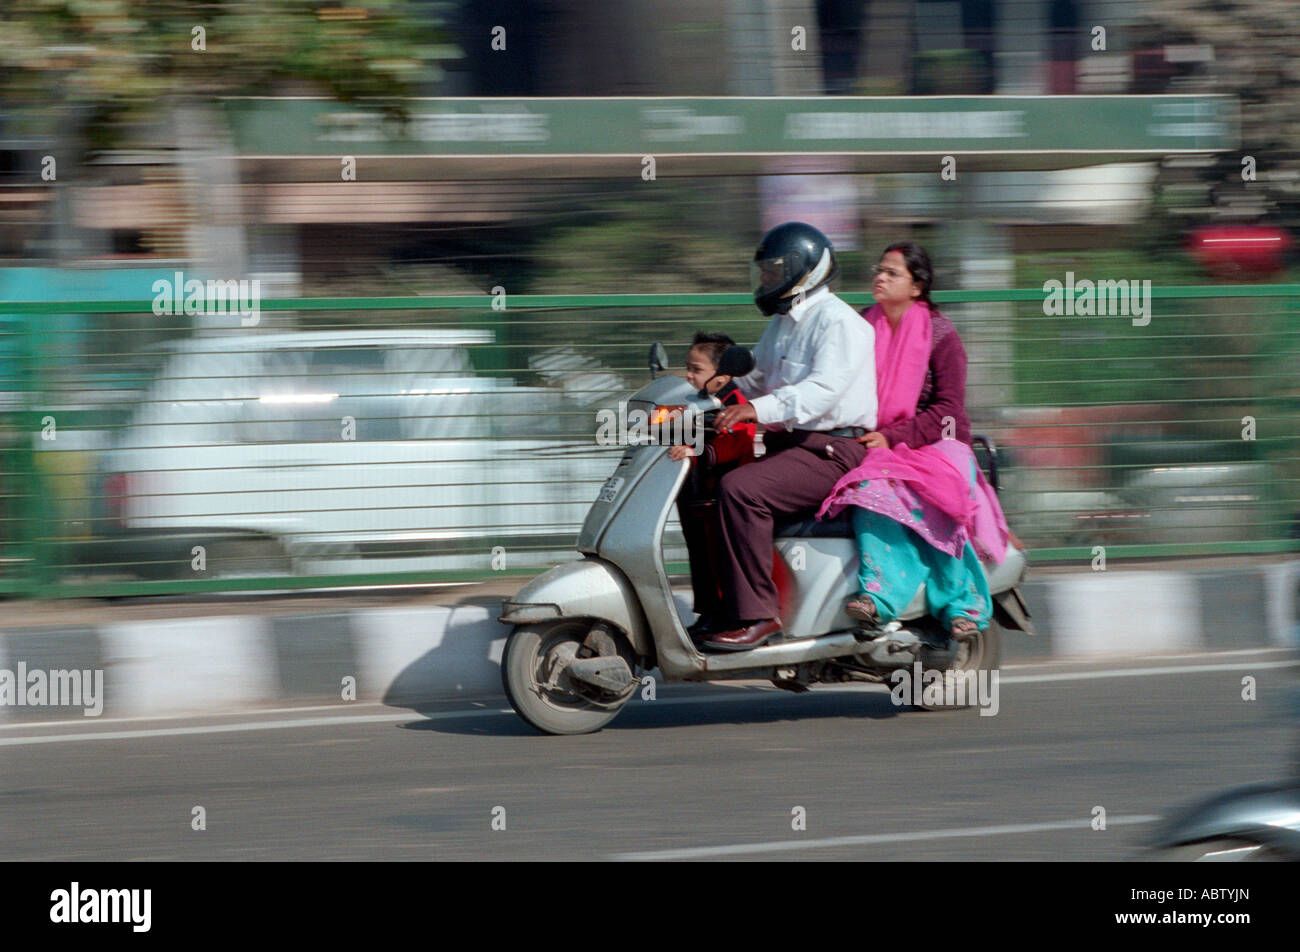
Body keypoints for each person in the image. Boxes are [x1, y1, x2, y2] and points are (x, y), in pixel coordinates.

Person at [818, 242, 1011, 641]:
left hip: (937, 441)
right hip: (877, 440)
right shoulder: (859, 328)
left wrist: (892, 436)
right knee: (868, 492)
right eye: (879, 270)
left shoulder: (942, 335)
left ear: (918, 286)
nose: (880, 278)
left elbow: (948, 409)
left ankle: (963, 602)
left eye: (892, 273)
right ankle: (880, 595)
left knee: (936, 495)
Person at [704, 222, 877, 651]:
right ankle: (719, 609)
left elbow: (820, 393)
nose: (765, 280)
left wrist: (753, 408)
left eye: (773, 271)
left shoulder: (839, 323)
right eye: (763, 272)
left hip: (833, 449)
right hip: (794, 447)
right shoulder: (784, 324)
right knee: (705, 482)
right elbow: (757, 378)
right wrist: (713, 392)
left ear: (803, 271)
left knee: (740, 490)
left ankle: (759, 616)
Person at [668, 332, 756, 642]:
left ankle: (726, 615)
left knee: (718, 556)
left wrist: (695, 451)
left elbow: (737, 440)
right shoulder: (695, 401)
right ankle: (708, 612)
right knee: (699, 555)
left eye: (696, 369)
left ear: (724, 372)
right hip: (696, 492)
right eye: (688, 368)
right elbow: (667, 422)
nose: (689, 375)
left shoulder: (735, 403)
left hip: (721, 495)